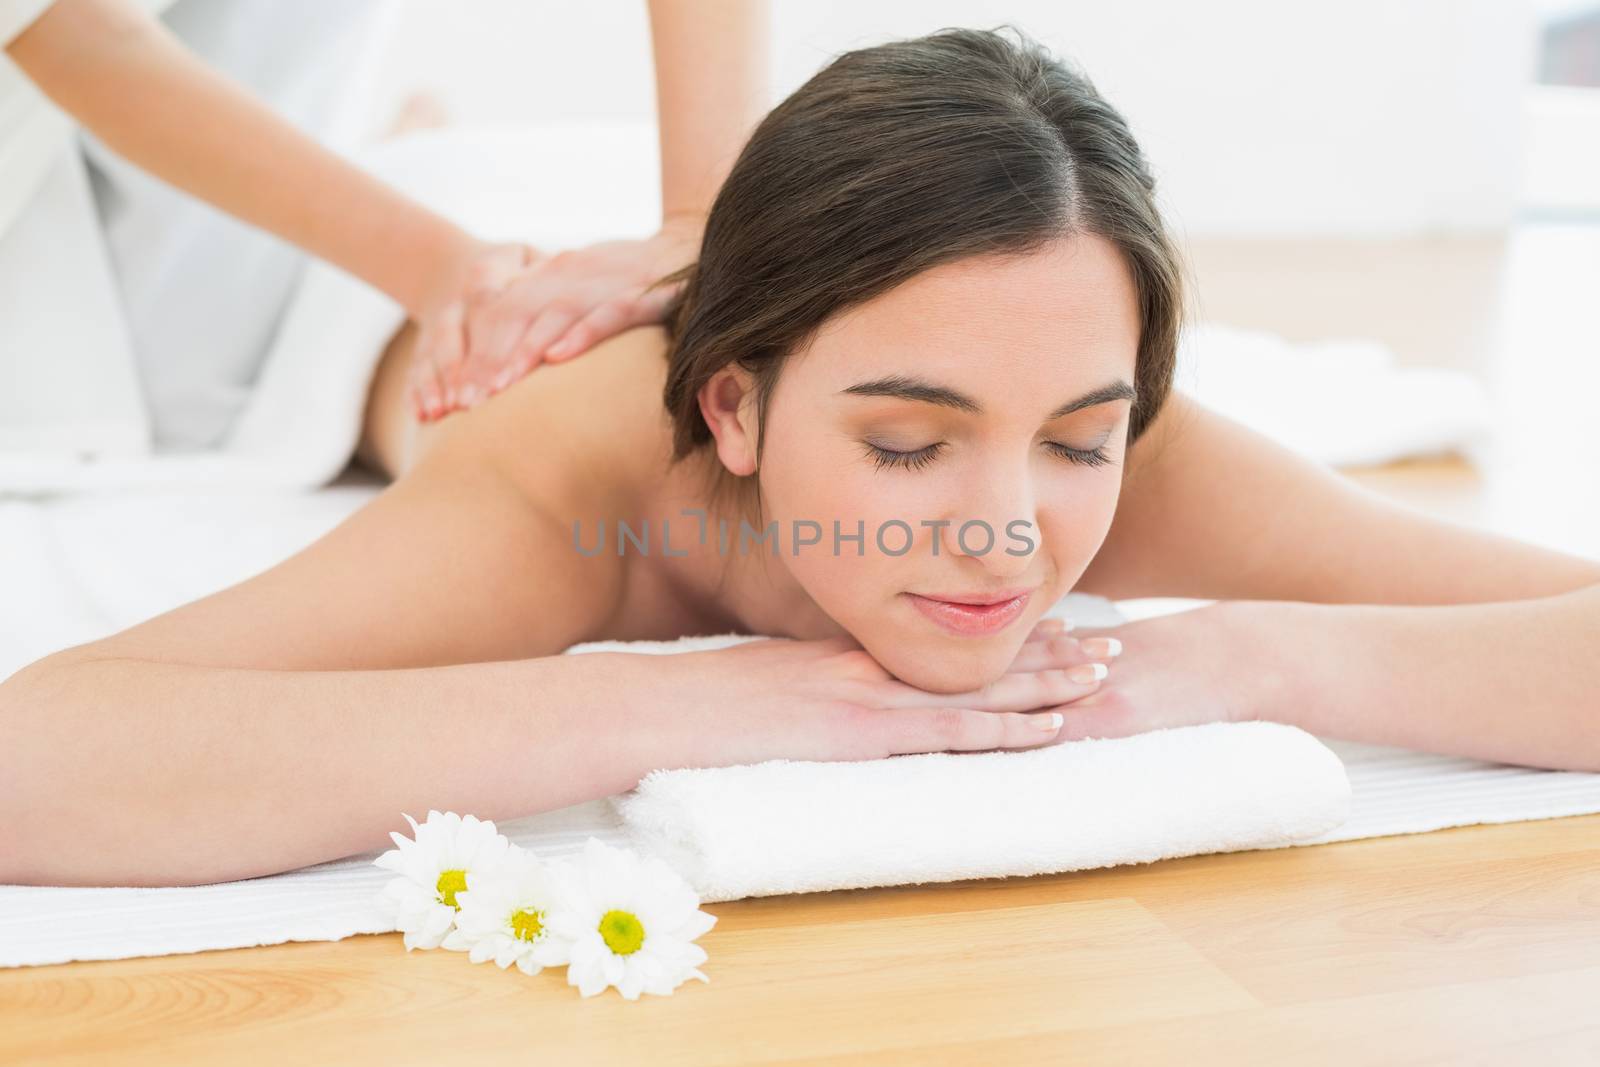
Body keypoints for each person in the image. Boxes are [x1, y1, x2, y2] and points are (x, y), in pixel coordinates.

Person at [2, 26, 1598, 889]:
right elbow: (39, 761)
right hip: (356, 305)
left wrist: (1250, 656)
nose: (1003, 533)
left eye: (1079, 439)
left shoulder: (1093, 429)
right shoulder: (572, 489)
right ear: (734, 414)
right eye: (906, 444)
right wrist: (688, 699)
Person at [0, 0, 766, 453]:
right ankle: (402, 148)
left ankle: (400, 144)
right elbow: (65, 32)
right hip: (81, 222)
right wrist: (443, 273)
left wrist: (699, 222)